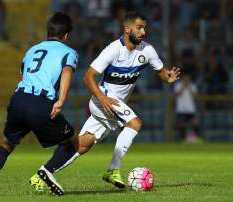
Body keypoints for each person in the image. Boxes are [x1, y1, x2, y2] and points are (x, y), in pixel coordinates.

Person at [30, 11, 180, 190]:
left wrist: (168, 77)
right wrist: (104, 99)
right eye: (139, 28)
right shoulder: (113, 50)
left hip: (112, 106)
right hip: (103, 100)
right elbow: (88, 76)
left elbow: (162, 71)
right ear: (127, 29)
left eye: (144, 28)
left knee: (83, 144)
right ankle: (112, 170)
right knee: (135, 123)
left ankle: (42, 173)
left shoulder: (147, 51)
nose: (143, 32)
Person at [0, 12, 79, 197]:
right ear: (66, 36)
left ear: (48, 32)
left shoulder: (31, 50)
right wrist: (61, 100)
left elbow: (23, 76)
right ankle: (47, 171)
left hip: (19, 98)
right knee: (72, 142)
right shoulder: (69, 52)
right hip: (40, 103)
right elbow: (67, 72)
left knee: (6, 144)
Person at [174, 73, 200, 142]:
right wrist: (183, 87)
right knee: (181, 124)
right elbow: (178, 94)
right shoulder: (178, 85)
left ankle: (197, 138)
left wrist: (188, 87)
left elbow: (195, 96)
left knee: (194, 123)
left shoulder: (192, 86)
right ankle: (183, 139)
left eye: (187, 78)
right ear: (182, 78)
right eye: (185, 78)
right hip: (181, 109)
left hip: (190, 109)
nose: (186, 79)